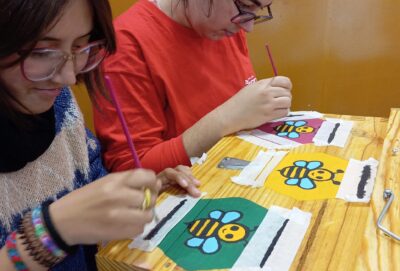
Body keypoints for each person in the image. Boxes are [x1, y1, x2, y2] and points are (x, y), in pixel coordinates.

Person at [0, 0, 200, 271]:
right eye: (42, 52)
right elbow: (65, 223)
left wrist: (143, 192)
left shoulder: (60, 107)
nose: (69, 77)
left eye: (81, 47)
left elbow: (93, 182)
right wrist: (52, 231)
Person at [93, 0, 293, 173]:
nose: (248, 27)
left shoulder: (225, 25)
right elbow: (131, 171)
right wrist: (225, 119)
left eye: (260, 9)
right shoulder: (127, 45)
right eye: (245, 5)